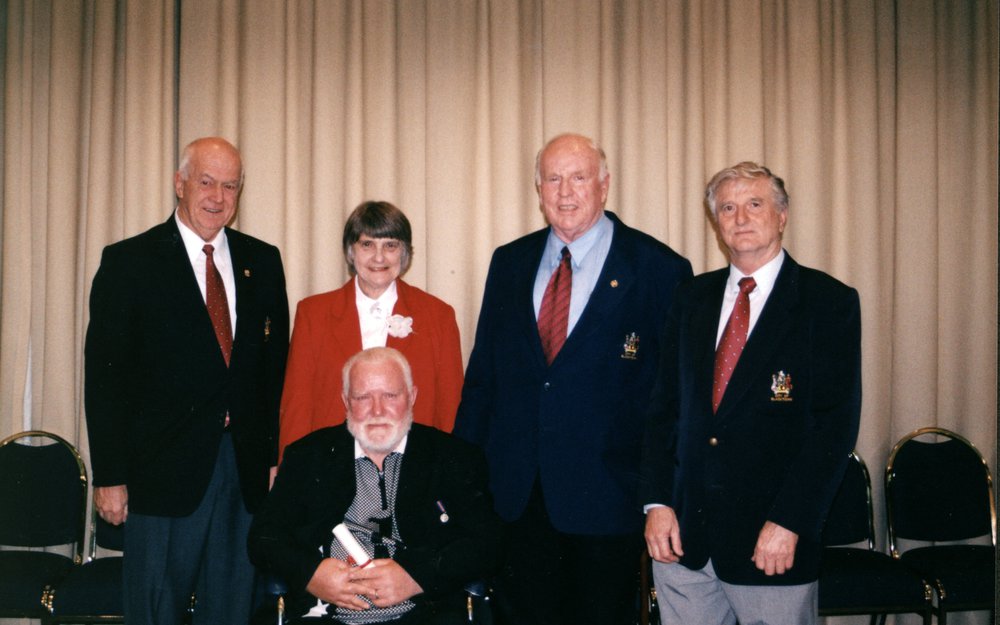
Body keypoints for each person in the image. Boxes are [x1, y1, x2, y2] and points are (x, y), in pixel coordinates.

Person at [453, 133, 692, 625]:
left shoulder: (658, 269)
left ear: (604, 186)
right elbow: (483, 381)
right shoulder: (510, 262)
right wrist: (463, 482)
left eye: (579, 178)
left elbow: (673, 402)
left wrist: (660, 496)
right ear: (538, 190)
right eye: (553, 179)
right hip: (516, 499)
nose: (565, 192)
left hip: (609, 501)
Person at [640, 162, 862, 625]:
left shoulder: (827, 302)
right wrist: (657, 503)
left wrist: (791, 522)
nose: (740, 217)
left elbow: (834, 429)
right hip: (684, 543)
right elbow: (663, 411)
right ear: (716, 223)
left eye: (754, 204)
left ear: (782, 215)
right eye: (727, 207)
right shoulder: (691, 299)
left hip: (772, 543)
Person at [84, 137, 290, 625]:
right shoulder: (130, 262)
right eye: (206, 182)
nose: (218, 197)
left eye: (230, 186)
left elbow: (274, 371)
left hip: (241, 470)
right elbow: (104, 377)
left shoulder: (263, 261)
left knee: (233, 607)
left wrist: (274, 456)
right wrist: (110, 475)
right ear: (179, 183)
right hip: (160, 474)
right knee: (156, 608)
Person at [248, 347, 502, 624]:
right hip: (325, 616)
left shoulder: (453, 457)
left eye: (390, 396)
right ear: (346, 400)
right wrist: (311, 573)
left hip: (423, 613)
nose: (378, 410)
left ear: (412, 396)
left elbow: (488, 542)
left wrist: (417, 577)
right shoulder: (308, 455)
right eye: (363, 397)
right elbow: (263, 537)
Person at [278, 200, 464, 460]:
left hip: (414, 466)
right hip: (331, 465)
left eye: (390, 245)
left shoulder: (438, 316)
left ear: (405, 253)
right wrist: (291, 471)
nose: (379, 257)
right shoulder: (313, 314)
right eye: (367, 244)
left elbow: (450, 408)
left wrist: (448, 473)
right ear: (350, 251)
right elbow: (297, 405)